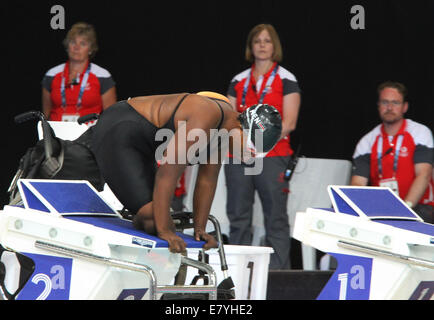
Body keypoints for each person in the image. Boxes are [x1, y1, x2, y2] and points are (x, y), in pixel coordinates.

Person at [90, 92, 283, 253]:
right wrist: (165, 230)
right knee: (155, 222)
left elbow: (207, 180)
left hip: (144, 147)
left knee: (160, 220)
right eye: (250, 148)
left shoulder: (227, 129)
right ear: (241, 128)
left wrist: (200, 229)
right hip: (119, 130)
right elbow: (167, 173)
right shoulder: (206, 115)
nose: (248, 157)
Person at [225, 23, 301, 269]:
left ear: (274, 46)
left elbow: (288, 123)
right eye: (257, 41)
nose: (262, 45)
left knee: (276, 219)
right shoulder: (239, 79)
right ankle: (237, 275)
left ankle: (279, 278)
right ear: (251, 46)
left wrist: (258, 142)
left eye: (267, 41)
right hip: (240, 154)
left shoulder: (286, 78)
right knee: (238, 217)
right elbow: (228, 119)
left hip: (273, 155)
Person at [351, 81, 434, 223]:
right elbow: (358, 183)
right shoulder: (367, 142)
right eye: (385, 102)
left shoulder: (419, 132)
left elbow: (424, 175)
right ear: (378, 106)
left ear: (405, 107)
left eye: (395, 103)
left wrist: (405, 210)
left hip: (419, 208)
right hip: (382, 211)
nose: (389, 107)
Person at [41, 22, 117, 121]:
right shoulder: (52, 74)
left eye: (83, 43)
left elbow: (111, 116)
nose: (76, 48)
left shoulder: (102, 75)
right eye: (73, 42)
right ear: (67, 46)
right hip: (57, 132)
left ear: (90, 49)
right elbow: (46, 115)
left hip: (90, 133)